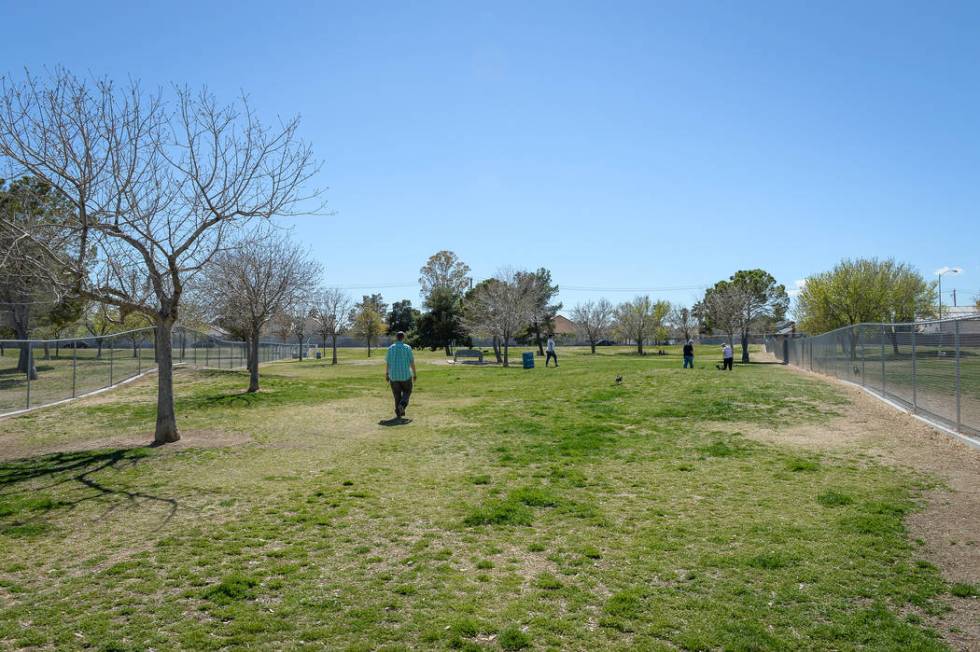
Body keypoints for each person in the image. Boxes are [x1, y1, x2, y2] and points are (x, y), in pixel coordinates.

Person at [385, 331, 417, 418]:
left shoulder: (390, 348)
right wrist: (414, 374)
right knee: (407, 391)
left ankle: (399, 414)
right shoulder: (407, 348)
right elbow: (411, 362)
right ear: (403, 338)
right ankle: (402, 405)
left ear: (396, 338)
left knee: (397, 395)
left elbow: (388, 363)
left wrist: (387, 374)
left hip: (393, 376)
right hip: (405, 375)